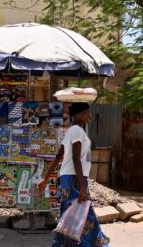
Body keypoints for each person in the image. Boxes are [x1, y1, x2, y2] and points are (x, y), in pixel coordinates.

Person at [38, 102, 110, 247]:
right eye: (87, 112)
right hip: (75, 178)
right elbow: (76, 158)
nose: (89, 115)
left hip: (69, 178)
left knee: (73, 215)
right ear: (79, 114)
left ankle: (80, 244)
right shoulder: (77, 131)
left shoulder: (71, 130)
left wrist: (45, 179)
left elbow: (59, 156)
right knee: (78, 215)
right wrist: (83, 187)